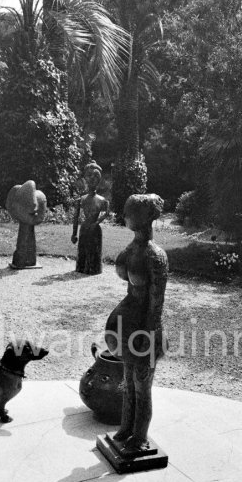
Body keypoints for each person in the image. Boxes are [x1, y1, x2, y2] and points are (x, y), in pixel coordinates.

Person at [104, 193, 168, 454]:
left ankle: (140, 436)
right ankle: (126, 428)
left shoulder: (156, 256)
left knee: (142, 386)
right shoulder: (133, 249)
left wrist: (148, 334)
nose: (125, 215)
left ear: (146, 217)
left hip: (144, 331)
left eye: (130, 211)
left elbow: (157, 303)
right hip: (129, 330)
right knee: (128, 383)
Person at [71, 161, 109, 274]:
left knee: (94, 250)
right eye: (89, 176)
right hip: (85, 228)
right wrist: (74, 233)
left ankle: (93, 268)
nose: (92, 179)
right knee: (83, 250)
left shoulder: (102, 200)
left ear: (99, 179)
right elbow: (75, 217)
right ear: (86, 178)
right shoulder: (81, 199)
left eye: (96, 176)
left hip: (95, 229)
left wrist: (97, 222)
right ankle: (82, 267)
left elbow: (107, 213)